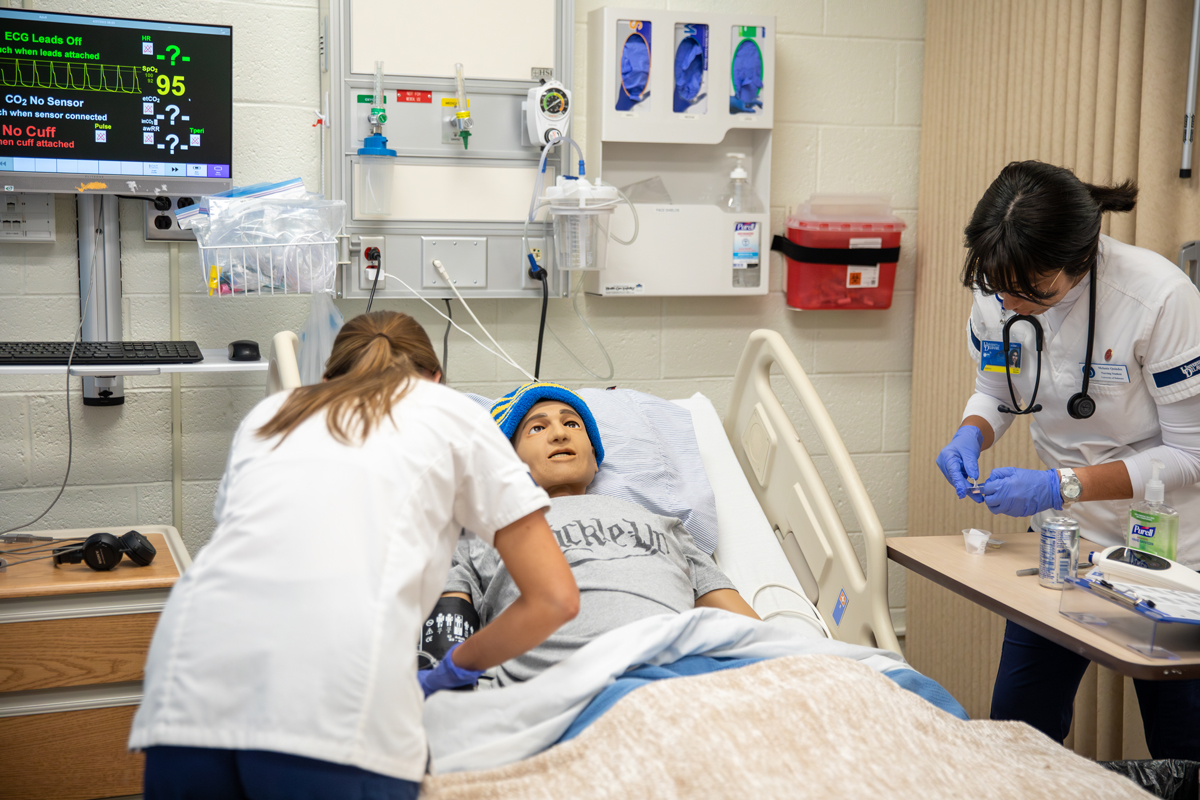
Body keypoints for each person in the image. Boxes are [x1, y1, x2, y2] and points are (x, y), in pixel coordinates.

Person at [128, 312, 579, 800]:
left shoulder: (273, 413)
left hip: (187, 687)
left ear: (326, 379)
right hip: (334, 701)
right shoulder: (451, 412)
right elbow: (555, 599)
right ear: (436, 378)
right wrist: (454, 670)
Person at [935, 161, 1200, 758]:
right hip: (1061, 547)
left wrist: (1060, 484)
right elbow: (999, 389)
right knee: (1018, 732)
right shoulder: (999, 285)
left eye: (1033, 292)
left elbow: (1190, 454)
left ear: (1081, 260)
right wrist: (971, 434)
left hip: (1171, 555)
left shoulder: (1159, 300)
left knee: (1183, 749)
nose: (1011, 303)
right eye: (1000, 288)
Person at [428, 382, 759, 687]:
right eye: (537, 428)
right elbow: (445, 640)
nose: (559, 434)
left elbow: (750, 632)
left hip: (681, 681)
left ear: (595, 460)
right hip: (566, 691)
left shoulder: (662, 523)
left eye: (572, 424)